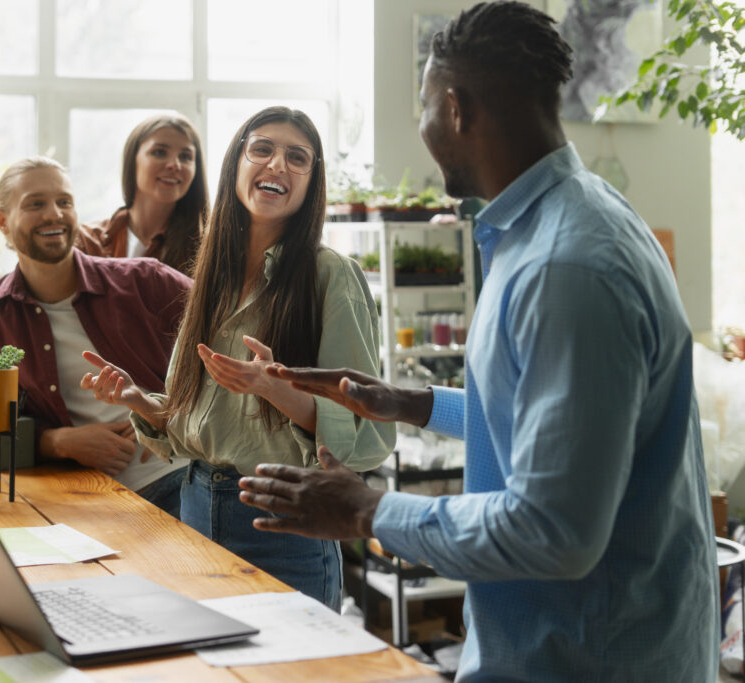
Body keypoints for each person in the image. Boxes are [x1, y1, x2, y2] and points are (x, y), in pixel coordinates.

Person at [238, 3, 719, 680]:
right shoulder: (569, 221)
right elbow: (559, 418)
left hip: (589, 659)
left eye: (426, 107)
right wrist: (413, 403)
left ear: (456, 109)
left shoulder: (566, 266)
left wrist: (366, 507)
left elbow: (557, 533)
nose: (425, 125)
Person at [80, 106, 395, 610]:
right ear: (235, 166)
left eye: (298, 158)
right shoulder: (212, 276)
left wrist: (275, 388)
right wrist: (139, 400)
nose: (277, 165)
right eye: (262, 149)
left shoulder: (331, 277)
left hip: (284, 526)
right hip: (194, 509)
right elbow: (200, 423)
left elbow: (368, 436)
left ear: (311, 183)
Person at [0, 157, 192, 517]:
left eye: (64, 202)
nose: (55, 214)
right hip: (79, 493)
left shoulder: (147, 280)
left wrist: (168, 411)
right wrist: (58, 442)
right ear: (3, 221)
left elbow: (230, 338)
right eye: (35, 203)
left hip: (178, 478)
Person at [74, 113, 208, 276]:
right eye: (159, 152)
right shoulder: (85, 241)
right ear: (133, 160)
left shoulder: (209, 250)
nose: (175, 165)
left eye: (186, 156)